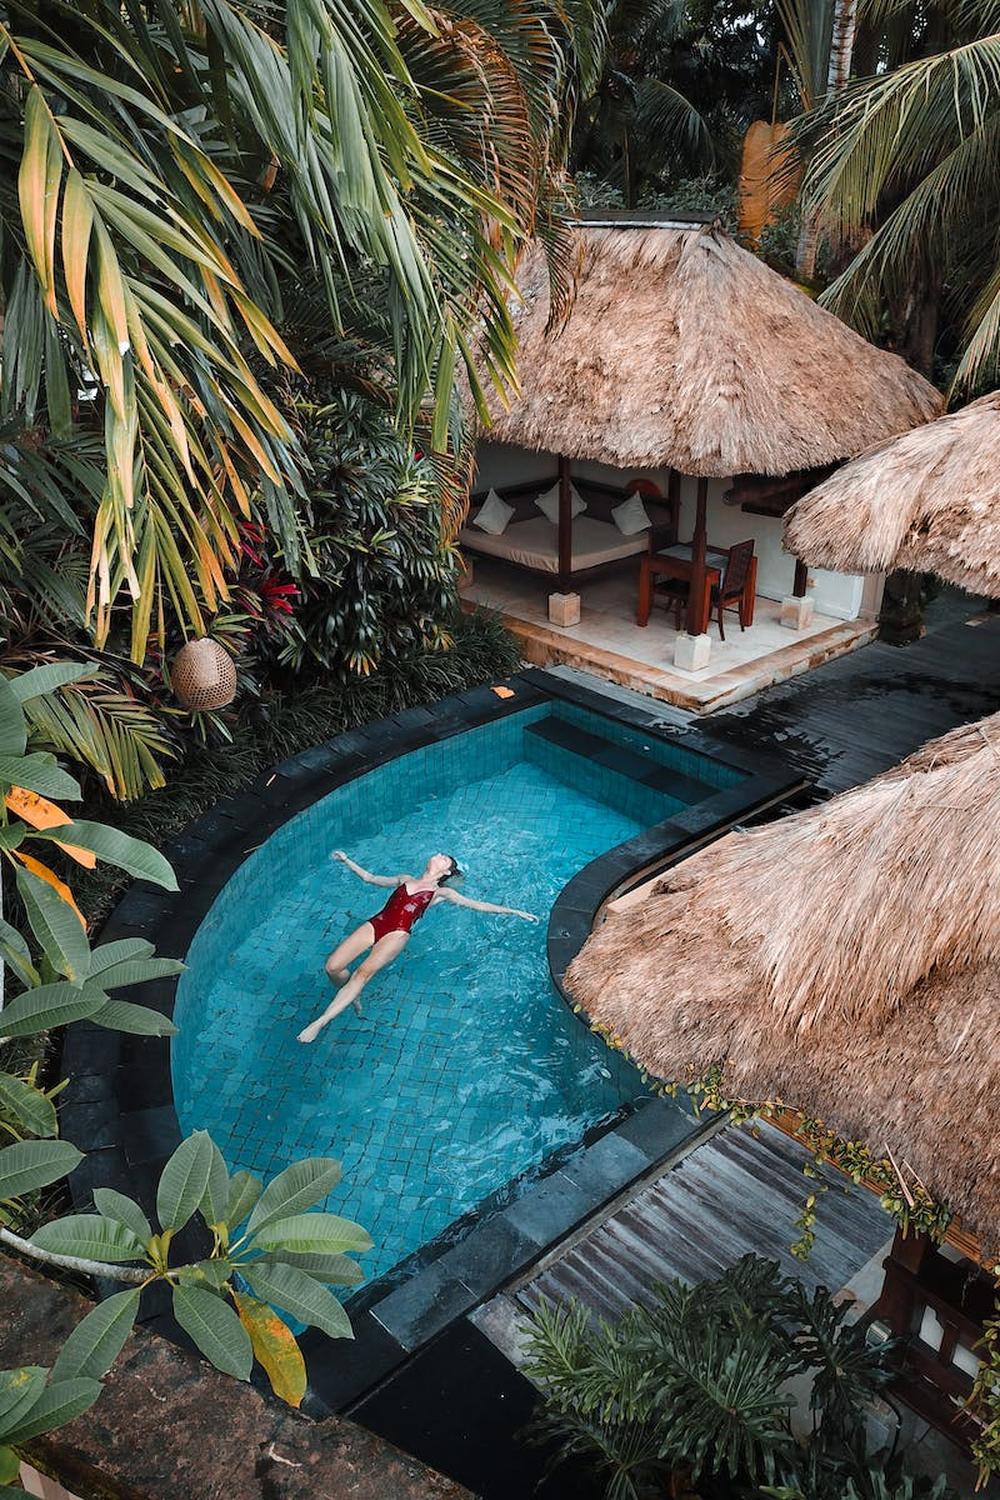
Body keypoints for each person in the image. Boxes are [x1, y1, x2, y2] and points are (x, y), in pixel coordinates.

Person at [296, 850, 538, 1043]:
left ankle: (321, 1022)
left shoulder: (441, 893)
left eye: (446, 858)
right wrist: (347, 860)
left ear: (446, 871)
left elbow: (479, 905)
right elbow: (370, 878)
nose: (440, 854)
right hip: (377, 922)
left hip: (397, 933)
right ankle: (352, 995)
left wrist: (514, 911)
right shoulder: (404, 879)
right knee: (333, 967)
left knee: (361, 974)